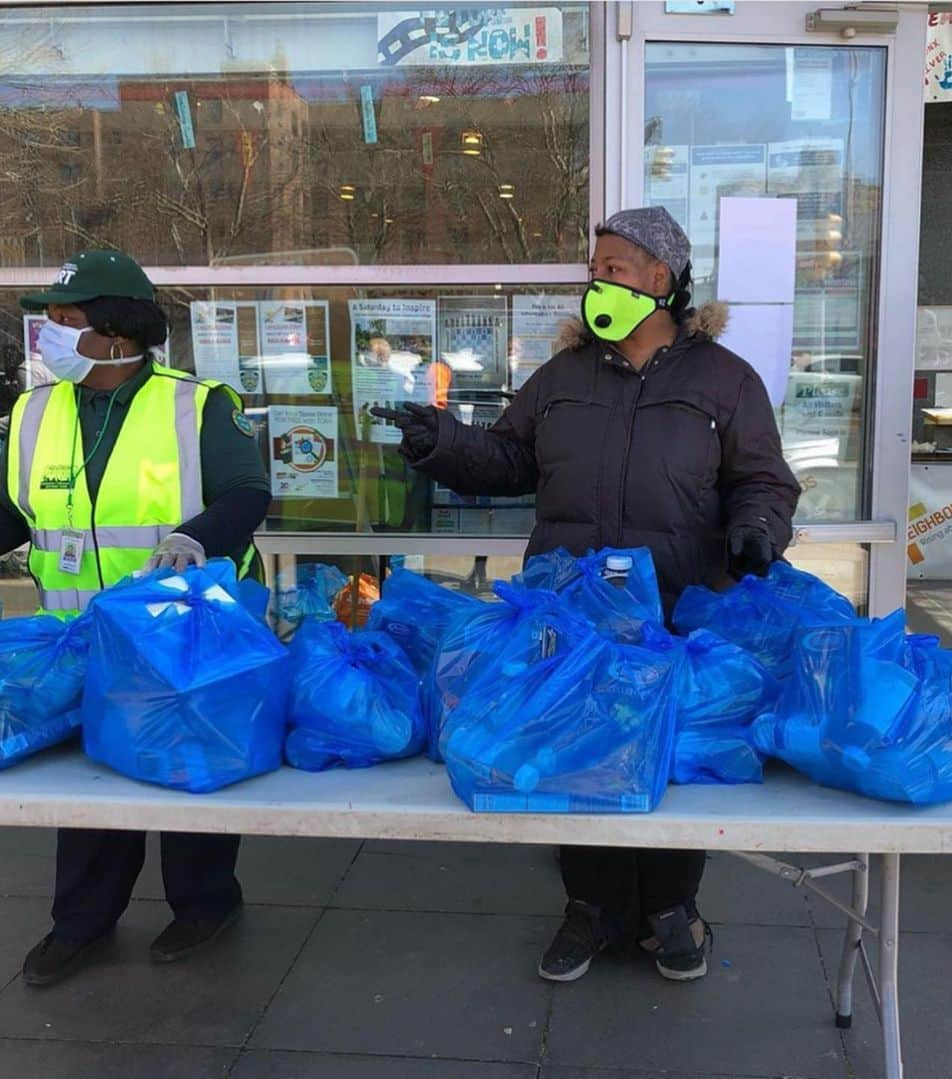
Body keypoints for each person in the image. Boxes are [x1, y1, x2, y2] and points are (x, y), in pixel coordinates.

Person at [374, 207, 800, 983]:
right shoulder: (564, 376)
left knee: (666, 754)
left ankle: (671, 907)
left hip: (674, 608)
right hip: (569, 612)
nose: (597, 281)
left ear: (662, 281)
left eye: (615, 268)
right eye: (594, 269)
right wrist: (442, 440)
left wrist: (758, 530)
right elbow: (507, 459)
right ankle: (591, 908)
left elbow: (764, 479)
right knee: (574, 747)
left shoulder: (724, 381)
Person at [1, 250, 271, 986]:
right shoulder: (33, 410)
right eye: (48, 318)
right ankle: (81, 923)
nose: (49, 333)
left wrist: (196, 537)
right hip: (83, 635)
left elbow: (247, 494)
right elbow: (11, 511)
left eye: (68, 318)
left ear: (119, 332)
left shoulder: (199, 403)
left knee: (188, 769)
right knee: (91, 786)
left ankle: (206, 905)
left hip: (184, 635)